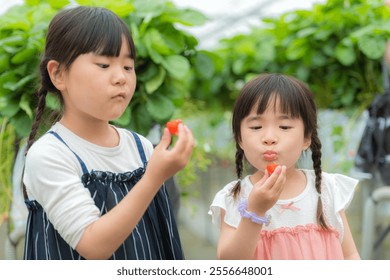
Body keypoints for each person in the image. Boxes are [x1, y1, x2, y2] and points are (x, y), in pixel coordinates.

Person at [22, 6, 194, 260]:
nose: (121, 78)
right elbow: (93, 245)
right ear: (58, 74)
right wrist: (155, 177)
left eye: (128, 66)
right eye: (104, 64)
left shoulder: (141, 147)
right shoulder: (49, 154)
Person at [209, 73, 360, 260]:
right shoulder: (235, 196)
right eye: (256, 127)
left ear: (306, 138)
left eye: (285, 127)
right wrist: (255, 211)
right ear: (240, 138)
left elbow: (351, 255)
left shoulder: (326, 189)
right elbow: (229, 264)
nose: (269, 137)